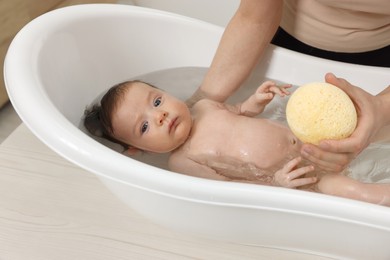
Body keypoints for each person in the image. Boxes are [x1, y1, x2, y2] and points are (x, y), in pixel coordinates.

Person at [84, 80, 390, 206]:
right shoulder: (183, 162)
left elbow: (240, 112)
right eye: (145, 125)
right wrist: (278, 183)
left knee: (370, 128)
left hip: (309, 144)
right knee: (359, 193)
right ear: (140, 150)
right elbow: (233, 186)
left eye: (157, 100)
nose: (161, 115)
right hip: (301, 178)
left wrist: (256, 100)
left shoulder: (204, 107)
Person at [186, 0, 390, 172]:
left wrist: (382, 108)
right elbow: (254, 17)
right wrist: (201, 101)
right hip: (278, 40)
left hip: (381, 65)